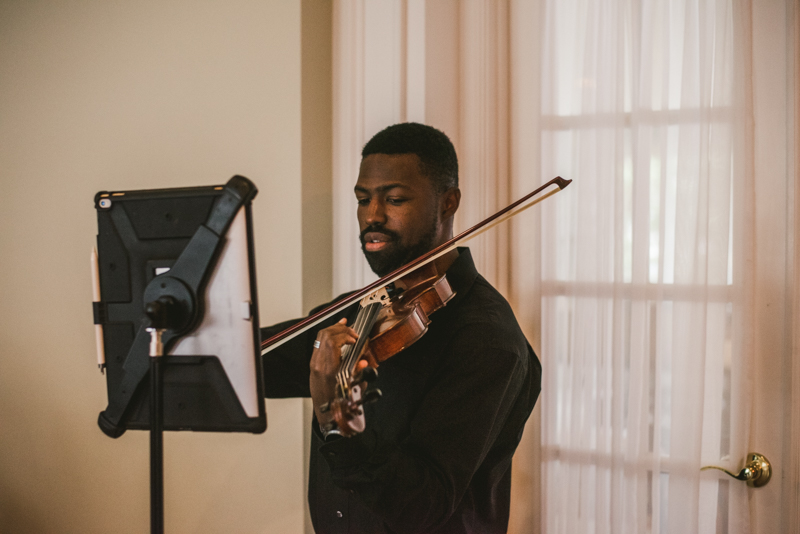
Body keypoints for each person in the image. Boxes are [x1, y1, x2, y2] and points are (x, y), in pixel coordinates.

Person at [261, 123, 541, 534]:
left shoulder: (486, 339)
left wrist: (336, 423)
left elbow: (423, 506)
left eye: (394, 199)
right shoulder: (366, 306)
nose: (372, 216)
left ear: (448, 203)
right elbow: (255, 362)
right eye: (362, 199)